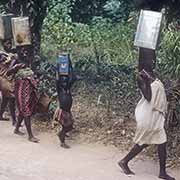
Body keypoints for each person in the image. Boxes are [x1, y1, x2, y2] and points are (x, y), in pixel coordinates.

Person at [118, 49, 175, 180]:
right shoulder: (140, 76)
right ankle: (124, 161)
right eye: (151, 59)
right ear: (145, 61)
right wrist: (148, 81)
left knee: (160, 141)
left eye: (154, 59)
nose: (153, 61)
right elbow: (148, 97)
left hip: (156, 113)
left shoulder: (152, 73)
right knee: (145, 141)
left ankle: (162, 172)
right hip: (148, 113)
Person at [7, 46, 39, 143]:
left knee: (24, 108)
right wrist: (17, 67)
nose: (25, 52)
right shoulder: (16, 60)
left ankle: (16, 129)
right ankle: (30, 135)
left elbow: (34, 73)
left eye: (26, 50)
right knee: (25, 108)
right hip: (20, 86)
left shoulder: (29, 60)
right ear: (18, 51)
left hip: (29, 87)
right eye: (22, 50)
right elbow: (8, 73)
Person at [55, 53, 77, 148]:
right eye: (62, 80)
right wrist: (58, 66)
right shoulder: (60, 88)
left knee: (70, 126)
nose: (65, 81)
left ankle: (62, 135)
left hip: (67, 110)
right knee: (66, 126)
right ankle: (62, 140)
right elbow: (57, 77)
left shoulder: (67, 88)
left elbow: (73, 78)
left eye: (66, 80)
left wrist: (70, 65)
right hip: (63, 110)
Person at [0, 39, 17, 125]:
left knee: (5, 99)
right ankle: (14, 120)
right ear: (3, 45)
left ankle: (0, 115)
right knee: (11, 98)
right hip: (4, 78)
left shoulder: (12, 54)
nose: (9, 45)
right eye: (7, 44)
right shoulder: (2, 55)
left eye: (10, 43)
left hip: (10, 79)